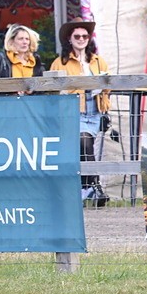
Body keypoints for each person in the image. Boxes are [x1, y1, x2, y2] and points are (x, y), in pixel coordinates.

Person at [51, 21, 111, 207]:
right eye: (77, 36)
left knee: (85, 146)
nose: (81, 40)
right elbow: (53, 89)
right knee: (84, 141)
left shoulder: (97, 60)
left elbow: (108, 84)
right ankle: (92, 185)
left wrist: (100, 91)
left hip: (95, 110)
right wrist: (80, 90)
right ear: (69, 39)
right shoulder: (60, 62)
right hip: (73, 110)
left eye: (85, 36)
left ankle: (87, 187)